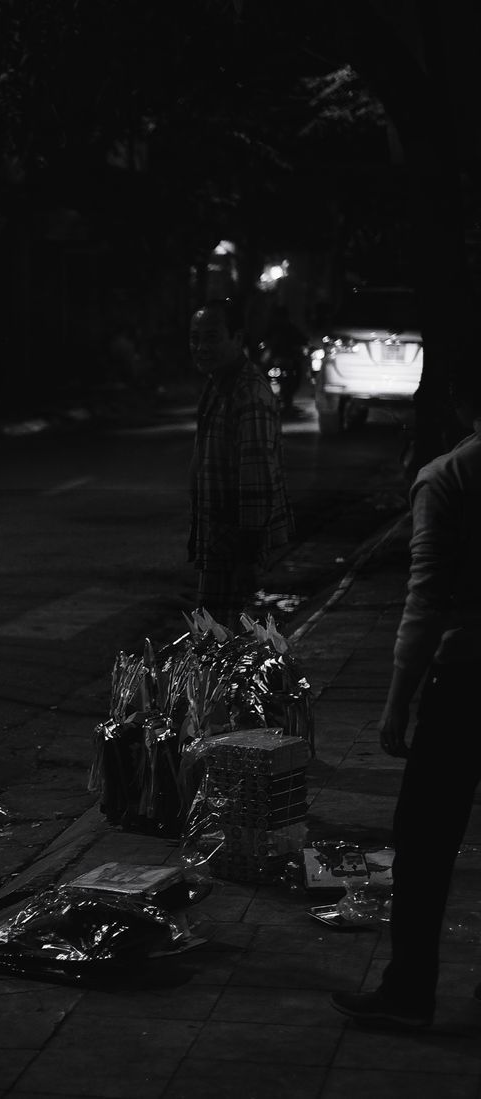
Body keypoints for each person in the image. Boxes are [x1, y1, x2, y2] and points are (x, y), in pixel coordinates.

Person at [331, 370, 481, 1029]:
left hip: (468, 680)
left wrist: (397, 703)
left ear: (459, 402)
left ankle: (410, 989)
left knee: (422, 841)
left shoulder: (447, 477)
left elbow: (423, 603)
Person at [188, 298, 293, 627]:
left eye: (212, 337)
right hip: (217, 540)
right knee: (213, 636)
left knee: (224, 640)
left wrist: (248, 557)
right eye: (195, 338)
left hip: (235, 545)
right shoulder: (217, 385)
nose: (201, 347)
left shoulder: (247, 395)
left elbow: (256, 481)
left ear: (237, 338)